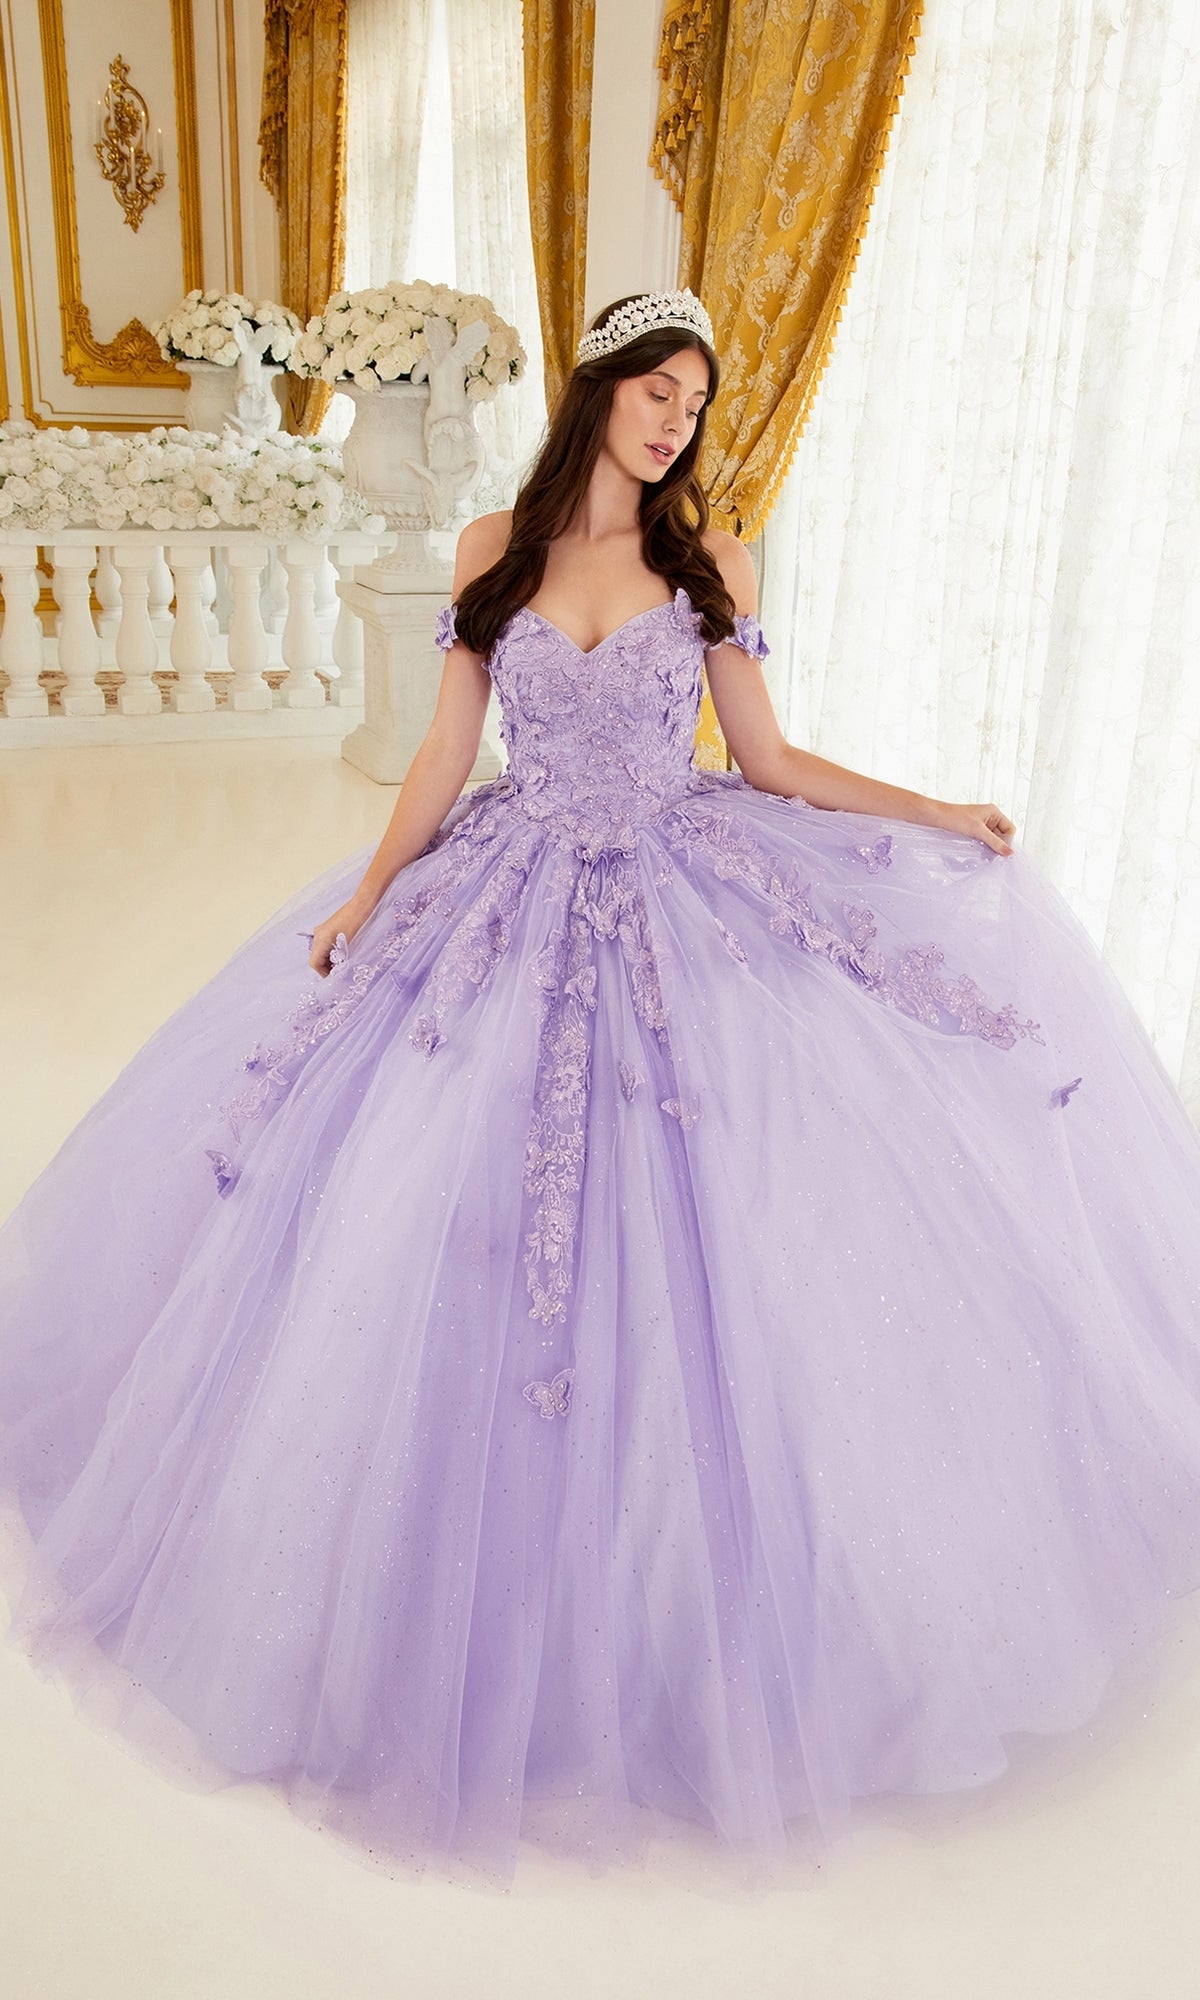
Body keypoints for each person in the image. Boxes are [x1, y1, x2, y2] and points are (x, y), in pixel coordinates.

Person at [3, 287, 1200, 1898]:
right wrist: (366, 895)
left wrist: (931, 808)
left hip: (681, 888)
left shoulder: (709, 569)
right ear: (603, 388)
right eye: (658, 387)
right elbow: (445, 756)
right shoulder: (493, 542)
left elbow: (768, 763)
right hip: (507, 889)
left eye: (698, 402)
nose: (678, 418)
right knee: (441, 1199)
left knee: (697, 1224)